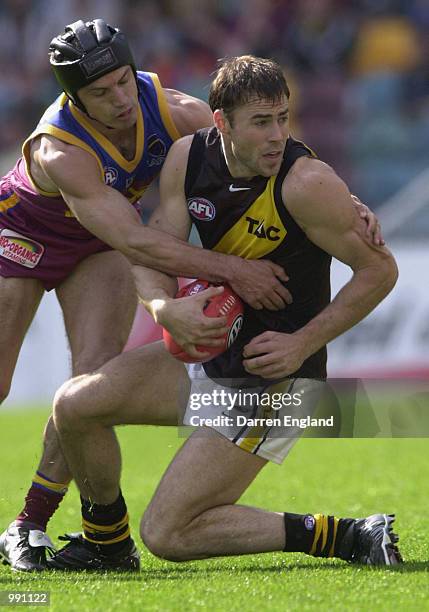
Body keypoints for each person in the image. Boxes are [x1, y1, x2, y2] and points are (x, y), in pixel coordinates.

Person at [46, 55, 402, 572]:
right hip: (214, 347)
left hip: (279, 380)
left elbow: (380, 272)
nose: (277, 135)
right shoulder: (188, 159)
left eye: (283, 117)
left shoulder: (306, 183)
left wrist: (301, 343)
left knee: (167, 533)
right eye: (261, 122)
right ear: (221, 122)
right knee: (75, 405)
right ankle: (106, 545)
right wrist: (165, 307)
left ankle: (348, 535)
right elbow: (150, 252)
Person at [0, 22, 302, 573]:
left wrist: (335, 196)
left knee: (87, 387)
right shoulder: (59, 148)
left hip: (99, 245)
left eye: (122, 82)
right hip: (22, 236)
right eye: (100, 93)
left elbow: (262, 146)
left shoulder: (175, 109)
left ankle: (31, 525)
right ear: (73, 96)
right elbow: (141, 240)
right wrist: (235, 271)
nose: (120, 101)